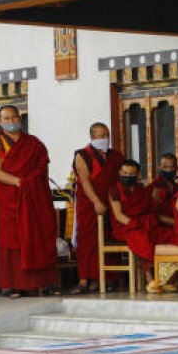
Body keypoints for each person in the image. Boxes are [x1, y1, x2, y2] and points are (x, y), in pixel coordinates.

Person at [0, 105, 59, 298]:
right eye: (6, 118)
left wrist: (29, 184)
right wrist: (20, 183)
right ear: (0, 122)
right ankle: (13, 284)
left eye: (14, 117)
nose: (11, 121)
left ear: (20, 118)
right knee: (13, 239)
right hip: (11, 198)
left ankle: (44, 282)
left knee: (40, 235)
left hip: (35, 197)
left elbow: (42, 168)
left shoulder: (33, 143)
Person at [71, 122, 124, 294]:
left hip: (112, 202)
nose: (105, 139)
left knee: (110, 236)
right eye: (101, 136)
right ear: (93, 137)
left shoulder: (115, 156)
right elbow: (85, 181)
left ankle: (109, 278)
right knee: (88, 240)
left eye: (107, 135)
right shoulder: (82, 155)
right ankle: (85, 279)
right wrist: (96, 202)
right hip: (89, 203)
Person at [108, 160, 174, 294]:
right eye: (125, 173)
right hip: (125, 227)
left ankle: (165, 278)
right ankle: (149, 278)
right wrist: (136, 225)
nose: (128, 176)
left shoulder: (141, 190)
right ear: (120, 173)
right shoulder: (114, 190)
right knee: (142, 237)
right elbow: (119, 215)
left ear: (138, 174)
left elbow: (152, 211)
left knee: (166, 235)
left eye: (132, 174)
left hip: (145, 223)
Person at [151, 153, 178, 226]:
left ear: (176, 168)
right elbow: (154, 214)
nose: (168, 170)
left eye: (171, 167)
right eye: (165, 167)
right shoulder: (155, 186)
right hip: (162, 225)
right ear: (159, 167)